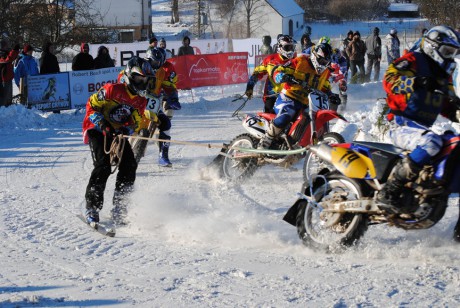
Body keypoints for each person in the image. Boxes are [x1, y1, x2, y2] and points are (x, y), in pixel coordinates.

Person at [377, 26, 460, 227]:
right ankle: (391, 189)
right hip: (399, 123)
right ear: (433, 46)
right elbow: (389, 80)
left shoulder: (443, 75)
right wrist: (415, 82)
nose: (450, 57)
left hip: (419, 127)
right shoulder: (414, 59)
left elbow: (448, 103)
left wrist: (456, 109)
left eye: (454, 53)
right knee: (431, 141)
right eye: (448, 52)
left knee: (450, 145)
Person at [82, 56, 154, 225]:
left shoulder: (140, 100)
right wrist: (103, 124)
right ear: (129, 76)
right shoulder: (112, 89)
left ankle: (120, 207)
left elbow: (136, 121)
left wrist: (127, 128)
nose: (142, 83)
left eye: (145, 80)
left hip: (117, 133)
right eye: (139, 78)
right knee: (103, 166)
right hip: (97, 129)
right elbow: (91, 106)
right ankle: (92, 207)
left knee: (129, 165)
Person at [258, 43, 340, 149]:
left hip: (308, 102)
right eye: (322, 61)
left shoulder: (325, 72)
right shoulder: (300, 61)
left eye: (326, 62)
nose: (323, 64)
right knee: (286, 115)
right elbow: (279, 69)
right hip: (289, 97)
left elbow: (324, 86)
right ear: (315, 56)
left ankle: (300, 143)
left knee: (313, 118)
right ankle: (266, 140)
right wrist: (279, 75)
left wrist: (330, 95)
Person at [145, 47, 180, 167]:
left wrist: (173, 97)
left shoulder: (165, 69)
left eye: (159, 62)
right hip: (139, 99)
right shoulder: (141, 66)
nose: (156, 65)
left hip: (159, 97)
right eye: (154, 62)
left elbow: (171, 83)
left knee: (166, 121)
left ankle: (163, 155)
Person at [245, 35, 296, 114]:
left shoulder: (296, 62)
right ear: (280, 47)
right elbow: (257, 73)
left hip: (289, 95)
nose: (290, 50)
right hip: (272, 95)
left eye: (292, 47)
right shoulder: (270, 59)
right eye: (287, 47)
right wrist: (250, 86)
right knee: (270, 117)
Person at [0, 40, 20, 107]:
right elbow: (9, 59)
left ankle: (6, 108)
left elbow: (10, 58)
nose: (7, 46)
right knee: (4, 97)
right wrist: (15, 50)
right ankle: (2, 110)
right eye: (6, 45)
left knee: (7, 97)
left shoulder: (5, 53)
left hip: (7, 78)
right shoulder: (2, 54)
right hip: (4, 79)